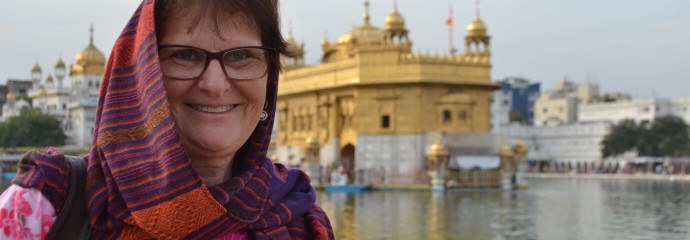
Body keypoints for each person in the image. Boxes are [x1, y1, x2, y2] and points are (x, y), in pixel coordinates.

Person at [0, 0, 334, 239]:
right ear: (141, 72)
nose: (215, 85)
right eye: (185, 55)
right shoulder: (44, 208)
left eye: (242, 56)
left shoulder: (298, 221)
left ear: (269, 79)